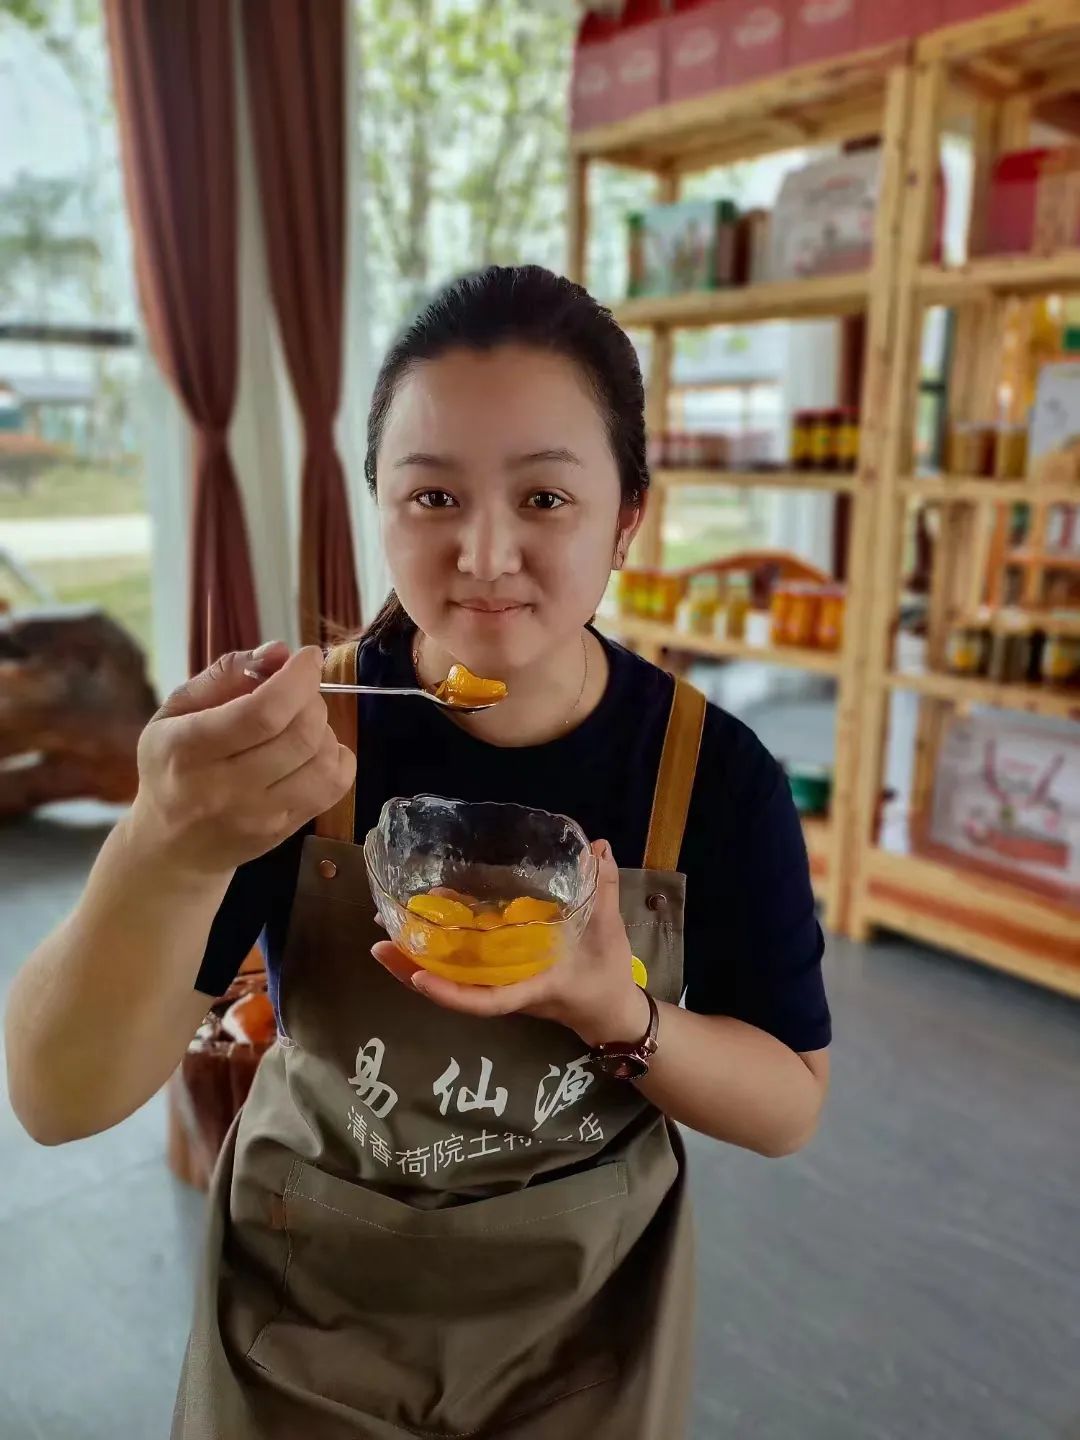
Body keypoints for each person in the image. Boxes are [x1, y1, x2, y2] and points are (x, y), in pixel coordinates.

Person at [6, 265, 830, 1439]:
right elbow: (55, 1098)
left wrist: (618, 1008)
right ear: (376, 500)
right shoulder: (296, 747)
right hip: (302, 1320)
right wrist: (163, 841)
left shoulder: (714, 776)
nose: (484, 557)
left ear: (629, 515)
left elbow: (788, 1101)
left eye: (545, 499)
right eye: (432, 498)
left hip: (584, 1330)